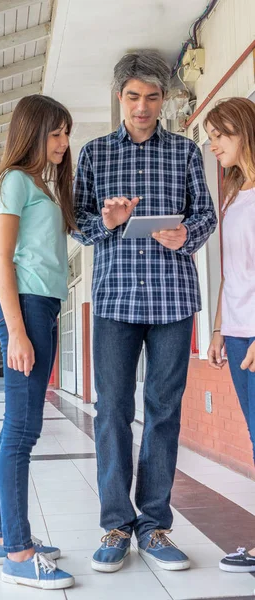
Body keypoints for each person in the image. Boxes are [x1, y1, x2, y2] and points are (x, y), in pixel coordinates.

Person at [73, 49, 217, 573]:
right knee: (111, 411)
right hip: (113, 301)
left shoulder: (183, 153)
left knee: (163, 412)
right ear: (120, 98)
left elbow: (206, 215)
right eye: (133, 96)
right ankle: (116, 524)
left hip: (173, 300)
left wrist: (186, 236)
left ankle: (154, 525)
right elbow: (78, 223)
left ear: (163, 101)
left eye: (152, 97)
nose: (142, 106)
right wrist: (106, 224)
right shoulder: (92, 154)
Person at [0, 94, 76, 589]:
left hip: (41, 306)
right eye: (55, 133)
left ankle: (3, 537)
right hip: (26, 308)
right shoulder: (15, 181)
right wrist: (17, 331)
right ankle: (19, 554)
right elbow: (3, 262)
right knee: (22, 432)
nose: (63, 143)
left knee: (16, 430)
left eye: (66, 133)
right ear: (32, 132)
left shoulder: (40, 185)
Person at [205, 97, 255, 573]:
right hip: (239, 332)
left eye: (221, 134)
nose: (213, 143)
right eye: (210, 136)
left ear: (244, 131)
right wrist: (220, 328)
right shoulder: (235, 194)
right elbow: (230, 272)